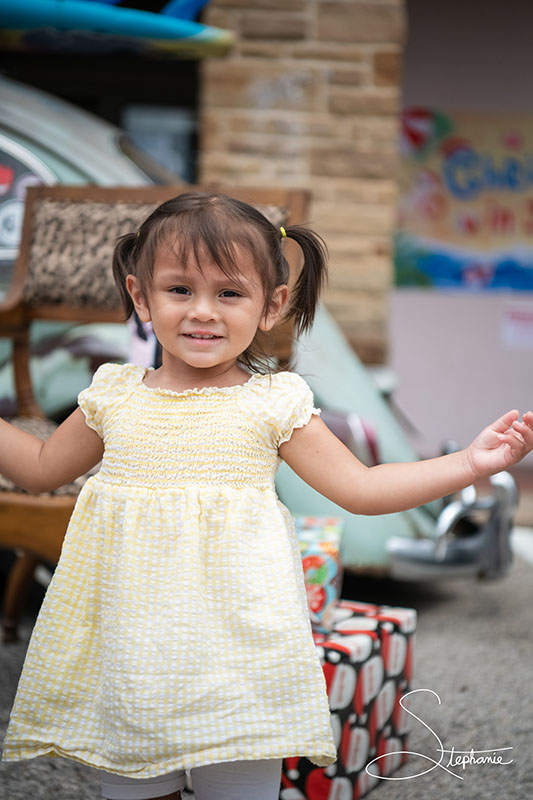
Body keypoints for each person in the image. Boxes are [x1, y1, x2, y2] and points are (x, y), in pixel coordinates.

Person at [1, 192, 532, 800]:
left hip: (238, 651)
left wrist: (468, 463)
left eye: (229, 293)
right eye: (179, 290)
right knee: (135, 783)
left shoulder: (272, 401)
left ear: (271, 305)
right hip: (132, 650)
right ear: (141, 297)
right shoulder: (113, 397)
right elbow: (41, 468)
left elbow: (360, 488)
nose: (203, 311)